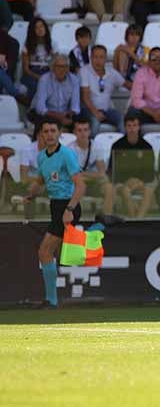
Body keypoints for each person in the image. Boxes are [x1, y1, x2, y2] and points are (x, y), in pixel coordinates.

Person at [22, 120, 85, 306]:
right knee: (59, 252)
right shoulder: (42, 156)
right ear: (41, 135)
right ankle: (101, 224)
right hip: (55, 206)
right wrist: (30, 195)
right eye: (46, 131)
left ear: (60, 134)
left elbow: (81, 186)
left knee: (45, 251)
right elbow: (41, 180)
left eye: (53, 131)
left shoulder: (67, 154)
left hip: (68, 206)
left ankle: (51, 300)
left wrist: (70, 209)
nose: (49, 134)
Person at [108, 115, 155, 219]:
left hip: (141, 182)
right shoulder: (117, 146)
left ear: (139, 127)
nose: (132, 129)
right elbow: (112, 170)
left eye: (134, 125)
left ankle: (138, 219)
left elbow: (150, 171)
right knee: (125, 191)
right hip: (122, 183)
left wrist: (140, 181)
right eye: (129, 126)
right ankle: (134, 220)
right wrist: (126, 181)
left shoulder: (147, 146)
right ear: (125, 127)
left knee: (149, 190)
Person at [68, 117, 113, 216]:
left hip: (93, 182)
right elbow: (72, 175)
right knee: (79, 184)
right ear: (74, 132)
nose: (83, 133)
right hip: (77, 184)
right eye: (79, 130)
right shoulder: (69, 149)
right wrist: (91, 175)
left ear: (89, 131)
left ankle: (106, 218)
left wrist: (83, 175)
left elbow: (102, 173)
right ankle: (76, 219)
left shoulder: (97, 146)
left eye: (85, 130)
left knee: (109, 187)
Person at [127, 47, 160, 126]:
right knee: (132, 113)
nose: (157, 62)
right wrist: (153, 113)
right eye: (154, 60)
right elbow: (136, 99)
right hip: (145, 111)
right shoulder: (141, 73)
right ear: (149, 61)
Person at [79, 45, 126, 135]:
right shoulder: (84, 71)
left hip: (107, 110)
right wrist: (96, 112)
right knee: (95, 123)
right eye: (95, 57)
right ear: (91, 58)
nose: (98, 60)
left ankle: (121, 147)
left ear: (106, 59)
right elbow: (85, 97)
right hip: (89, 110)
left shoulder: (111, 72)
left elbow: (127, 84)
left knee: (121, 118)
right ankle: (91, 147)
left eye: (101, 57)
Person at [29, 55, 79, 131]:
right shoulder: (44, 79)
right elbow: (40, 108)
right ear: (52, 68)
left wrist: (69, 115)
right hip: (46, 113)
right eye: (58, 66)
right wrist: (59, 117)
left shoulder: (74, 80)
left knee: (80, 120)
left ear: (69, 68)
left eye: (65, 66)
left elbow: (75, 107)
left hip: (64, 113)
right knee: (40, 119)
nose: (62, 69)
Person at [21, 17, 53, 100]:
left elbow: (54, 65)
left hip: (47, 71)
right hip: (32, 72)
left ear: (45, 28)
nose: (40, 29)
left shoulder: (53, 43)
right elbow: (26, 69)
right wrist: (38, 77)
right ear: (32, 31)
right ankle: (32, 109)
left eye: (42, 26)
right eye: (36, 27)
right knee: (35, 86)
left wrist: (46, 76)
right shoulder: (27, 45)